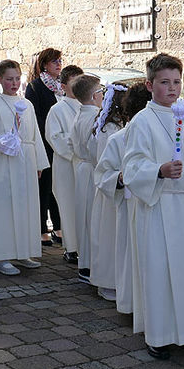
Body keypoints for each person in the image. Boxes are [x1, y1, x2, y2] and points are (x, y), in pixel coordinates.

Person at [122, 53, 184, 360]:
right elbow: (132, 165)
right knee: (158, 268)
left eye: (176, 82)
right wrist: (158, 170)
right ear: (149, 85)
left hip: (181, 205)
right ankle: (158, 334)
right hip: (156, 204)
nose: (172, 88)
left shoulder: (183, 119)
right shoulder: (141, 122)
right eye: (164, 83)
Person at [0, 59, 50, 275]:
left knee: (25, 206)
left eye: (17, 78)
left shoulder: (26, 104)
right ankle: (1, 256)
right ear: (0, 79)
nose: (14, 83)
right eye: (9, 79)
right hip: (5, 163)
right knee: (4, 208)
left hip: (25, 162)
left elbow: (35, 135)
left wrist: (38, 162)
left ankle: (23, 251)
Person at [96, 81, 151, 314]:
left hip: (154, 205)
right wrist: (120, 178)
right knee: (129, 253)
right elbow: (103, 174)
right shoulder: (118, 139)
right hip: (130, 206)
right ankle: (130, 300)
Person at [89, 82, 128, 301]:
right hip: (109, 187)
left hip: (115, 187)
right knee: (108, 236)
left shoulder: (119, 126)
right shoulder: (109, 129)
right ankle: (106, 281)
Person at [25, 47, 65, 248]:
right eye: (54, 61)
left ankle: (59, 225)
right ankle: (41, 228)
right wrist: (48, 134)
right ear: (44, 65)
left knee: (57, 186)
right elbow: (35, 117)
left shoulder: (61, 86)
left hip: (59, 145)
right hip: (44, 143)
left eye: (60, 60)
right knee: (43, 187)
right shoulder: (35, 87)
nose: (59, 64)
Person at [45, 65, 84, 264]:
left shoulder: (89, 106)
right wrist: (77, 150)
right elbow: (55, 137)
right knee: (69, 204)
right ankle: (71, 246)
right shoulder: (57, 109)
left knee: (83, 205)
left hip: (85, 165)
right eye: (74, 83)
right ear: (63, 86)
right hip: (67, 165)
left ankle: (85, 245)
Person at [70, 74, 104, 284]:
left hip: (82, 168)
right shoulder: (95, 117)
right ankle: (92, 264)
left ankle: (85, 261)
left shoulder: (79, 114)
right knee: (94, 216)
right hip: (92, 168)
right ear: (93, 96)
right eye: (101, 92)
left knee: (84, 215)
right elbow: (96, 148)